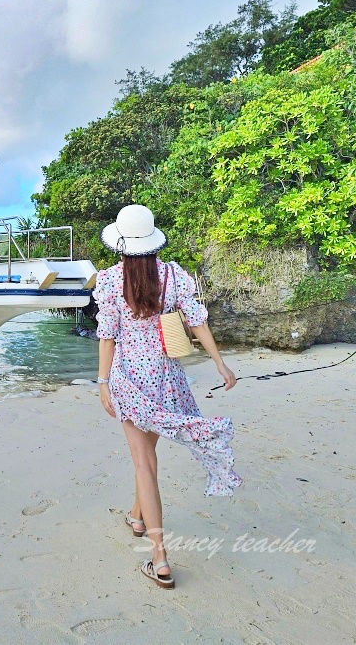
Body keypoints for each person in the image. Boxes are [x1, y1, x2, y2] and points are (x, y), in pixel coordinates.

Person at [93, 204, 241, 590]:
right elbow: (196, 320)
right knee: (148, 458)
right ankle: (137, 518)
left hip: (129, 379)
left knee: (144, 464)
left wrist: (103, 381)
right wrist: (220, 364)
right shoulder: (174, 275)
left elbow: (107, 334)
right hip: (167, 379)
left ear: (122, 243)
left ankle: (159, 557)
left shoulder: (110, 281)